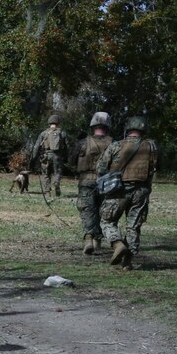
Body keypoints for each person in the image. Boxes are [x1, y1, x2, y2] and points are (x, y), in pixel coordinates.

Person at [96, 115, 159, 270]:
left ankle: (117, 244)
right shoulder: (152, 147)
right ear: (143, 129)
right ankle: (127, 262)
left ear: (128, 129)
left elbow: (101, 168)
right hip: (142, 191)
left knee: (106, 221)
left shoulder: (116, 145)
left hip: (118, 190)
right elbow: (157, 167)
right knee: (133, 226)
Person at [70, 112, 114, 255]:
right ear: (107, 127)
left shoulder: (82, 143)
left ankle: (88, 238)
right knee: (102, 211)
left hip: (86, 180)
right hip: (106, 182)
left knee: (87, 210)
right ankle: (97, 241)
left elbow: (71, 160)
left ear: (92, 126)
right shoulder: (114, 144)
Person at [32, 114, 68, 197]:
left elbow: (36, 146)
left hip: (46, 156)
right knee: (57, 172)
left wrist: (34, 157)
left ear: (49, 123)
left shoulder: (44, 133)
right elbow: (67, 146)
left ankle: (47, 192)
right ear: (58, 123)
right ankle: (57, 183)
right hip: (57, 156)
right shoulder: (62, 133)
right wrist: (66, 157)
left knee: (46, 174)